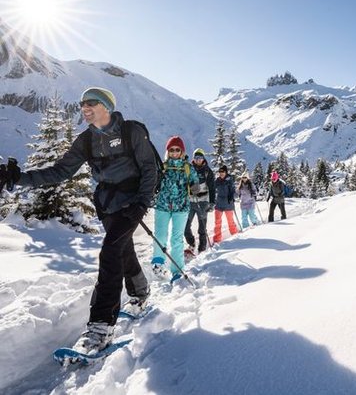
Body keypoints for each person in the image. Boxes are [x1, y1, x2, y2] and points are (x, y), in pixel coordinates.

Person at [0, 87, 157, 355]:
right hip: (107, 204)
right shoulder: (85, 141)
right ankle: (140, 291)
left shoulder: (132, 131)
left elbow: (149, 168)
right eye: (82, 104)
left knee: (109, 253)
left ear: (106, 106)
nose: (84, 107)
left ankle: (100, 326)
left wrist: (142, 202)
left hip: (132, 203)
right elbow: (59, 171)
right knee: (121, 249)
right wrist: (19, 178)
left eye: (90, 103)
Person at [152, 136, 199, 282]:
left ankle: (177, 270)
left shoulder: (187, 167)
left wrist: (194, 187)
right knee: (160, 235)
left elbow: (195, 181)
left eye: (177, 150)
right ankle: (158, 262)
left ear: (182, 151)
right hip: (163, 205)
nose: (174, 152)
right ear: (168, 151)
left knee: (176, 239)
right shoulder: (163, 166)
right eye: (171, 150)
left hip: (181, 207)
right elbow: (154, 180)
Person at [184, 148, 215, 253]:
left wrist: (212, 203)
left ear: (203, 158)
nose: (198, 160)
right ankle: (191, 243)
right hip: (190, 201)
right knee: (185, 226)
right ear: (193, 158)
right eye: (196, 158)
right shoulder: (189, 169)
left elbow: (212, 188)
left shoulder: (207, 171)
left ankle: (202, 249)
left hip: (203, 202)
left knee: (202, 228)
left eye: (200, 158)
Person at [212, 165, 238, 243]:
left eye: (223, 172)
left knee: (230, 221)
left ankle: (235, 235)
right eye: (220, 172)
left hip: (228, 203)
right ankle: (217, 239)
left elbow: (233, 190)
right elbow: (212, 187)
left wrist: (231, 196)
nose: (221, 173)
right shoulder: (218, 180)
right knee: (217, 222)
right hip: (219, 203)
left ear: (226, 172)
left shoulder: (230, 180)